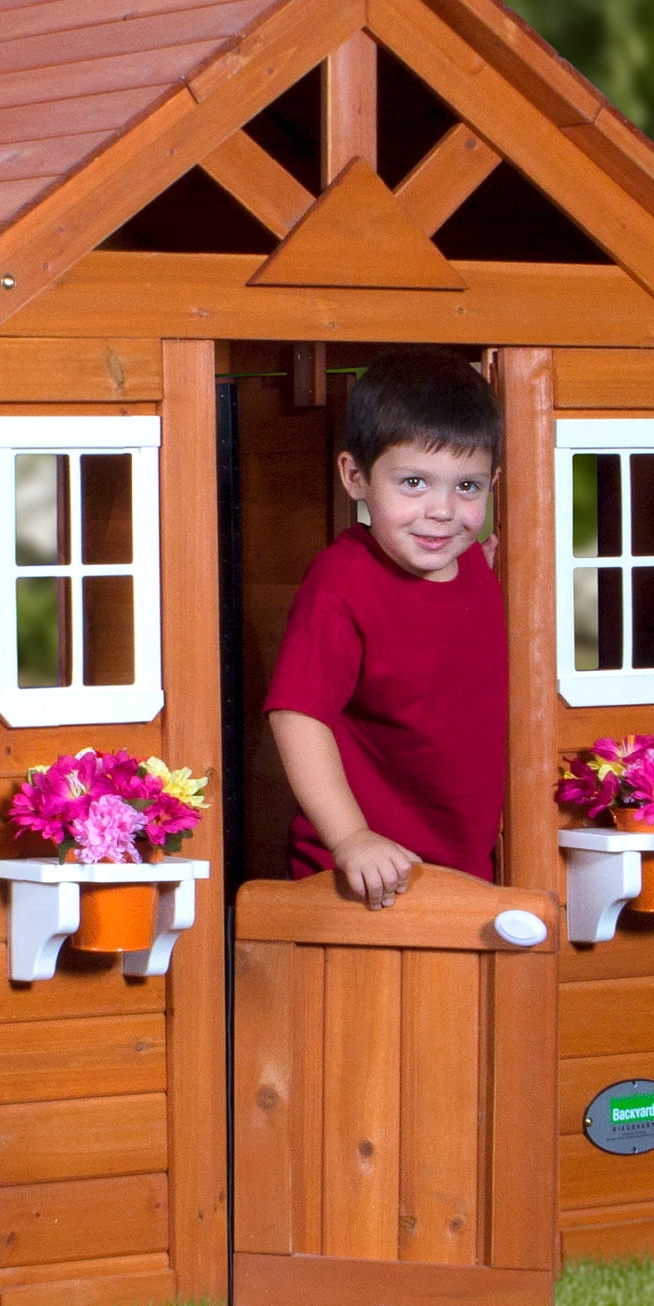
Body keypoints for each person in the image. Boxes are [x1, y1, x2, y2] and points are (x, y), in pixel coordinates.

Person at [264, 347, 507, 909]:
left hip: (468, 868)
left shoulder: (473, 562)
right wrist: (350, 837)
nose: (443, 510)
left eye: (467, 487)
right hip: (361, 875)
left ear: (492, 482)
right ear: (356, 478)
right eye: (414, 483)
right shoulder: (342, 581)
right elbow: (297, 714)